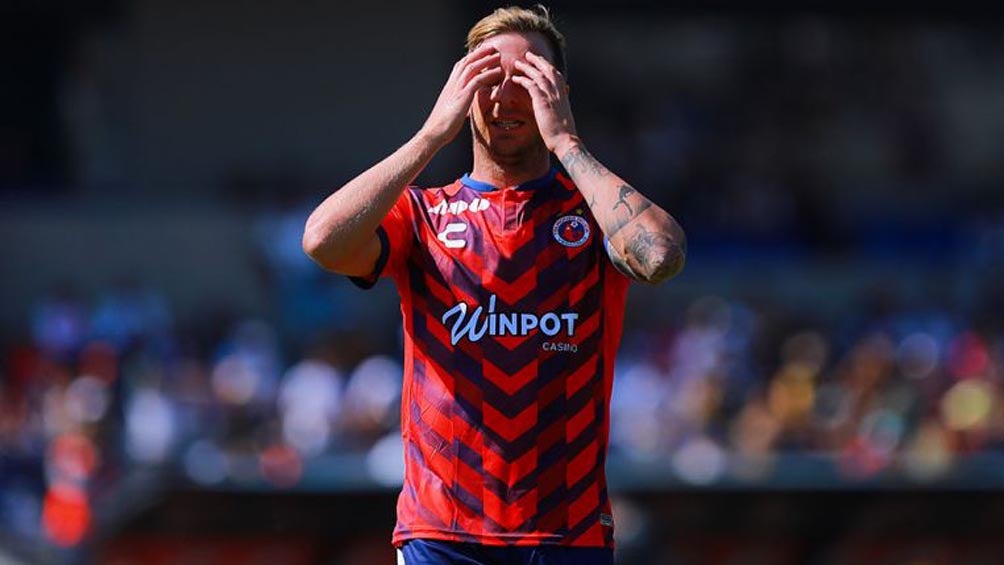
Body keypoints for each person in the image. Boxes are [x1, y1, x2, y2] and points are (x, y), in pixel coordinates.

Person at [302, 5, 686, 564]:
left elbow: (661, 257)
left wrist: (566, 142)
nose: (506, 95)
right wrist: (431, 135)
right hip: (442, 531)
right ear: (461, 90)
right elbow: (323, 242)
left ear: (558, 91)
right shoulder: (423, 214)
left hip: (567, 530)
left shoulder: (594, 214)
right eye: (488, 77)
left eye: (527, 76)